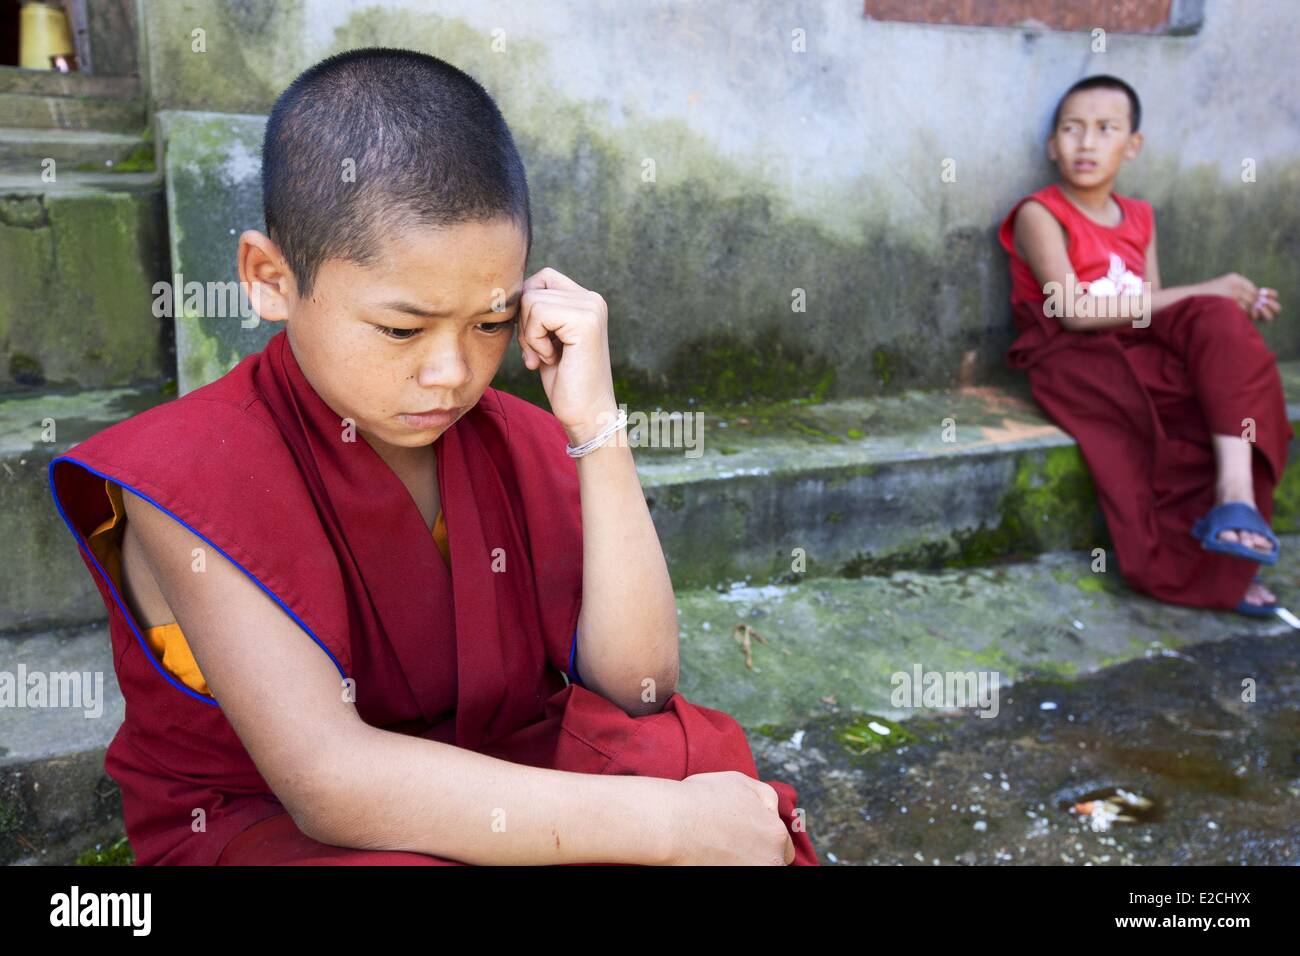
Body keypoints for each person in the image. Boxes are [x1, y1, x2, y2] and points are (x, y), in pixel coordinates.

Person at [48, 48, 817, 866]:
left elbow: (638, 686)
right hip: (279, 823)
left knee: (693, 761)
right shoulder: (193, 474)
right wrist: (664, 830)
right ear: (270, 278)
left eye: (489, 325)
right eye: (403, 329)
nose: (452, 374)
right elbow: (328, 780)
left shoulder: (510, 436)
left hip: (491, 766)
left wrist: (595, 426)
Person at [998, 74, 1291, 615]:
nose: (1086, 143)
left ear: (1132, 146)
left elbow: (1155, 303)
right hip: (1075, 355)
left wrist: (1228, 305)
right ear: (1050, 145)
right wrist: (1208, 291)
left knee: (1225, 339)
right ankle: (1194, 575)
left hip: (1139, 343)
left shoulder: (1139, 217)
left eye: (1105, 129)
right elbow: (1075, 312)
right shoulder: (1042, 213)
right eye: (1071, 129)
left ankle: (1236, 501)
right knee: (1165, 412)